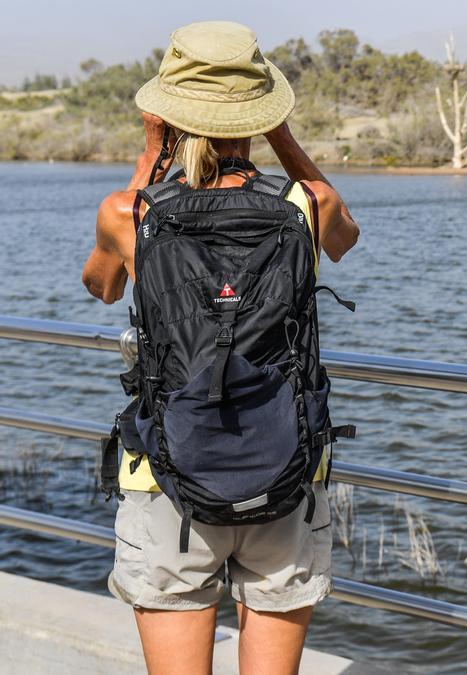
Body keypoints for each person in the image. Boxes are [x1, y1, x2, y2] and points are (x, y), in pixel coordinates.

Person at [82, 21, 359, 675]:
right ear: (260, 112)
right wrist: (284, 139)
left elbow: (101, 286)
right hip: (287, 470)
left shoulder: (130, 213)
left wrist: (152, 153)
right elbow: (345, 236)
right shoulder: (305, 204)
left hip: (165, 474)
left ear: (168, 114)